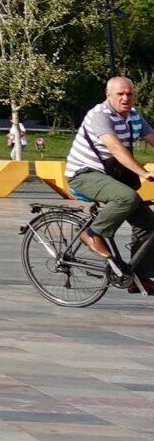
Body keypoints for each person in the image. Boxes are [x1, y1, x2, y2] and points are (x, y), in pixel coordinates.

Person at [66, 76, 154, 288]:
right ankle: (92, 234)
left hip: (111, 176)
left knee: (149, 225)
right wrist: (144, 173)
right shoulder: (99, 115)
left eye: (129, 94)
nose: (126, 98)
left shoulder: (133, 117)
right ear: (108, 95)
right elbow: (115, 148)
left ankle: (137, 277)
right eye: (120, 94)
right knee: (127, 197)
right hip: (84, 174)